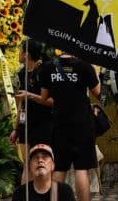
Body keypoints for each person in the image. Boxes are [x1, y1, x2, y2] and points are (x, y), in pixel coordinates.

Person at [40, 52, 101, 201]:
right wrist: (96, 74)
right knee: (81, 169)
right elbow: (98, 92)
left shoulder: (47, 68)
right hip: (82, 125)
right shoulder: (85, 66)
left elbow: (44, 97)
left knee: (59, 168)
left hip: (59, 124)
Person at [11, 41, 54, 183]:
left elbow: (52, 101)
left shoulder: (44, 71)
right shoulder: (21, 73)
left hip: (42, 124)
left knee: (42, 169)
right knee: (27, 166)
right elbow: (21, 104)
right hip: (25, 124)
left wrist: (29, 95)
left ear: (27, 54)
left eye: (20, 50)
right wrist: (16, 128)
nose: (18, 53)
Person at [11, 144, 76, 201]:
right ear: (30, 166)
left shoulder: (64, 191)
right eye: (35, 158)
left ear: (53, 165)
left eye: (45, 157)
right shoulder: (20, 193)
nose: (40, 160)